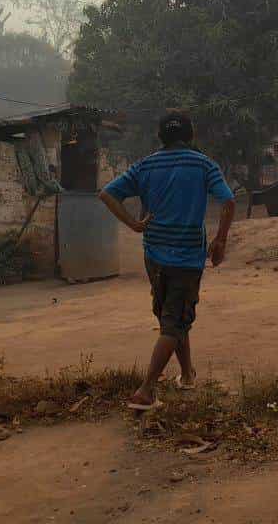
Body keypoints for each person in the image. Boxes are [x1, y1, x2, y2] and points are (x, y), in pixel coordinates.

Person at [98, 110, 236, 411]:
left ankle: (187, 375)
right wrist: (220, 240)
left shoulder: (146, 165)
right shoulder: (203, 164)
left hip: (154, 256)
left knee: (171, 317)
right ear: (190, 135)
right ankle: (146, 390)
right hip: (187, 259)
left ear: (161, 136)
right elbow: (228, 200)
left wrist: (134, 224)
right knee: (174, 322)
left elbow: (107, 194)